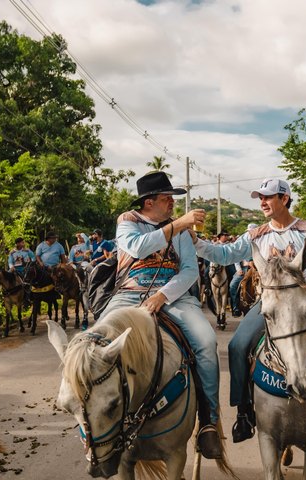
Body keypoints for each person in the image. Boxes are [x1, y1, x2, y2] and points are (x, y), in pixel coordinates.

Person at [192, 178, 306, 444]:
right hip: (269, 302)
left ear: (284, 199)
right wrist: (197, 243)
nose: (262, 202)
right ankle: (244, 411)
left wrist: (296, 277)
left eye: (268, 197)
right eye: (260, 198)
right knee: (238, 346)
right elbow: (225, 254)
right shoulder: (256, 234)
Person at [96, 171, 223, 459]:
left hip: (173, 294)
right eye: (167, 199)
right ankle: (94, 421)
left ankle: (209, 421)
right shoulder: (128, 221)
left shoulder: (179, 230)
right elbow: (138, 248)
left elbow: (190, 270)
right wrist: (179, 225)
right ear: (148, 202)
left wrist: (162, 295)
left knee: (205, 342)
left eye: (172, 199)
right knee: (95, 343)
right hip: (128, 294)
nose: (172, 204)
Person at [229, 223, 258, 316]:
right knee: (233, 285)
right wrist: (238, 269)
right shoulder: (242, 242)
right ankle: (235, 307)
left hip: (256, 268)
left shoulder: (260, 241)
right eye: (249, 231)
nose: (250, 233)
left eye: (252, 231)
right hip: (243, 268)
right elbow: (236, 256)